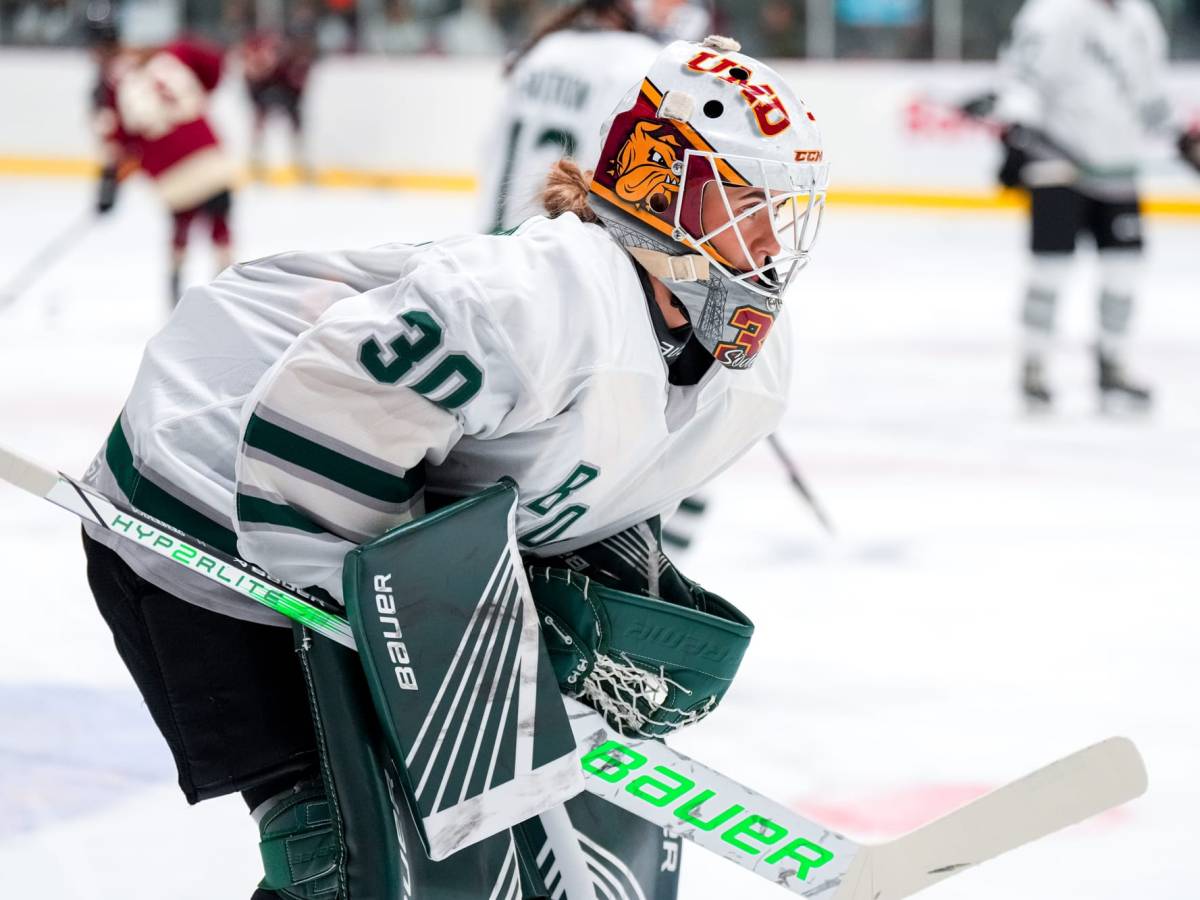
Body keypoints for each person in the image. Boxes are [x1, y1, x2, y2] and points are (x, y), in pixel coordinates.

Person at [79, 35, 828, 898]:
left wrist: (586, 613)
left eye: (787, 209)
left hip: (346, 513)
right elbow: (309, 455)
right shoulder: (538, 304)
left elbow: (572, 489)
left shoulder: (747, 374)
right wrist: (472, 667)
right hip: (198, 499)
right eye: (748, 203)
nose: (773, 241)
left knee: (493, 858)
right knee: (351, 865)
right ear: (663, 183)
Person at [990, 0, 1200, 412]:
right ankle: (1034, 366)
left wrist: (1180, 138)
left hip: (1117, 166)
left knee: (1123, 273)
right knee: (1048, 272)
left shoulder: (1140, 17)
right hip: (1057, 163)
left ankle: (1113, 367)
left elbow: (1150, 92)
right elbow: (1023, 77)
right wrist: (1018, 129)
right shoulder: (1053, 12)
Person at [478, 0, 709, 233]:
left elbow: (489, 150)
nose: (677, 7)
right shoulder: (642, 62)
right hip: (565, 248)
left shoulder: (545, 49)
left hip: (499, 241)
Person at [88, 9, 238, 305]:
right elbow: (216, 65)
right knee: (219, 223)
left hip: (170, 168)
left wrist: (109, 183)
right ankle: (231, 287)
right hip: (206, 151)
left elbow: (117, 142)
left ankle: (175, 287)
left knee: (181, 226)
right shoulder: (176, 51)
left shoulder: (108, 86)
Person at [242, 22, 317, 180]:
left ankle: (302, 165)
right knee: (260, 125)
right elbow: (252, 80)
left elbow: (299, 86)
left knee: (296, 128)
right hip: (267, 92)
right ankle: (257, 164)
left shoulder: (293, 63)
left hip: (287, 94)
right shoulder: (265, 60)